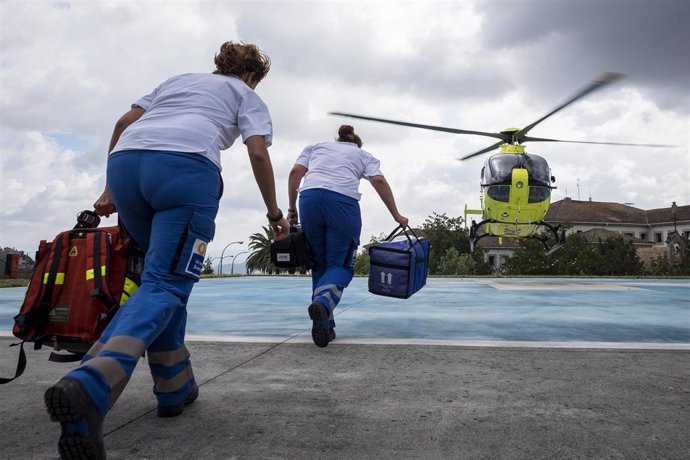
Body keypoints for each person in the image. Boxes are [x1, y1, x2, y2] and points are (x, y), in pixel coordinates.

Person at [44, 41, 289, 459]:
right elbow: (257, 152)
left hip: (126, 166)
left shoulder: (176, 81)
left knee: (161, 282)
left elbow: (124, 121)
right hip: (184, 170)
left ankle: (174, 388)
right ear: (251, 75)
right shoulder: (246, 94)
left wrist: (108, 188)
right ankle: (92, 383)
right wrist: (274, 214)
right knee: (166, 283)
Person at [287, 125, 408, 348]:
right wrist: (396, 214)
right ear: (356, 143)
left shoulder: (315, 148)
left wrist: (291, 210)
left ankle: (325, 324)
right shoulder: (363, 155)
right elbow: (378, 181)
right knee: (342, 265)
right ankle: (323, 301)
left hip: (309, 199)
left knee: (319, 263)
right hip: (342, 203)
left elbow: (295, 172)